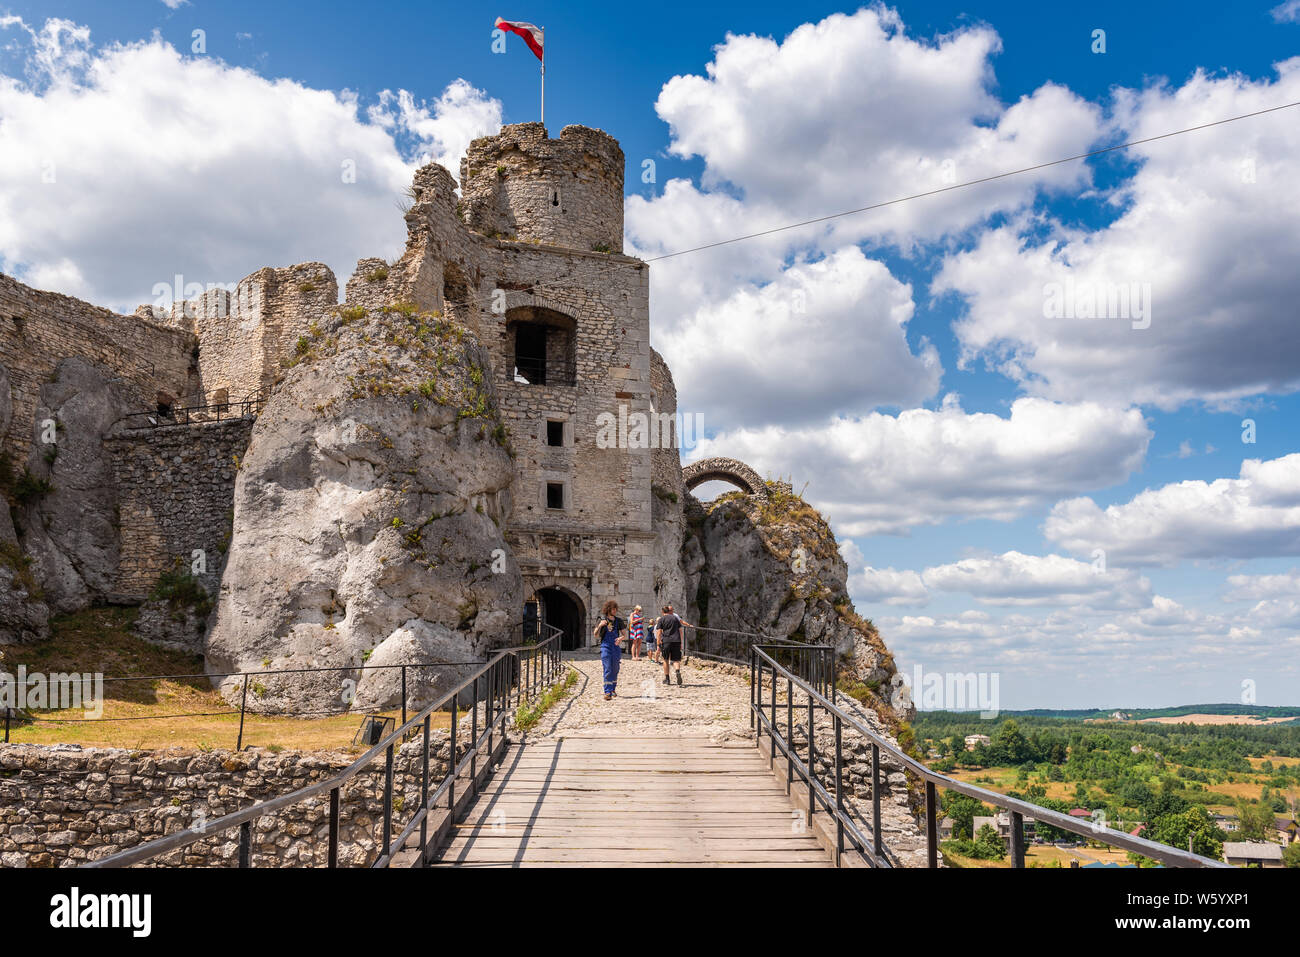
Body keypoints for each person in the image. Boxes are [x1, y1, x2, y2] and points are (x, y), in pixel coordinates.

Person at [592, 599, 626, 700]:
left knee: (615, 668)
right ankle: (607, 692)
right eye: (613, 609)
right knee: (607, 668)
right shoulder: (602, 620)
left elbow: (624, 634)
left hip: (615, 647)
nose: (615, 610)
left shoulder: (619, 621)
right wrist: (600, 626)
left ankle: (613, 689)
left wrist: (620, 638)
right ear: (608, 609)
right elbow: (595, 635)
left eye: (615, 609)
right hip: (605, 646)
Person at [654, 603, 694, 685]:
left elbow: (658, 633)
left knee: (665, 660)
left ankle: (667, 679)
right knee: (676, 659)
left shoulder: (661, 619)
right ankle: (677, 671)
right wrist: (681, 641)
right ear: (669, 611)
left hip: (666, 641)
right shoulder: (675, 618)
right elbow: (680, 630)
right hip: (676, 641)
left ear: (662, 611)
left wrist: (658, 643)